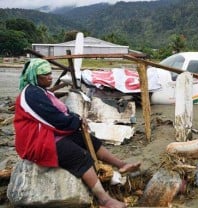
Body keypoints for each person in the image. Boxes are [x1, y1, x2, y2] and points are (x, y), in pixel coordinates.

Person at [13, 58, 140, 208]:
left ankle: (122, 164)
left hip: (50, 133)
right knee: (79, 156)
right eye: (45, 74)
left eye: (50, 73)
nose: (50, 76)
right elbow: (54, 119)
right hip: (36, 141)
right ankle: (104, 199)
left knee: (89, 140)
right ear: (35, 76)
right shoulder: (31, 94)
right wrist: (76, 121)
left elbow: (64, 112)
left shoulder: (41, 91)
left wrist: (77, 119)